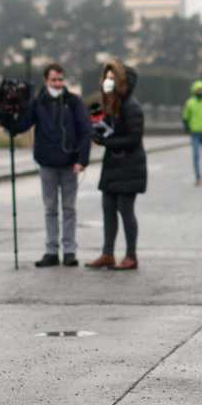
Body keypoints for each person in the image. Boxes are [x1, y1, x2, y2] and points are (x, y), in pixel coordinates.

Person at [0, 63, 91, 268]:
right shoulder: (37, 102)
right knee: (50, 208)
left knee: (69, 209)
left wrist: (81, 160)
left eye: (60, 80)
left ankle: (69, 251)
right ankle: (51, 250)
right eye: (54, 80)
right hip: (47, 163)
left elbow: (85, 131)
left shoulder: (74, 102)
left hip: (69, 164)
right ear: (46, 80)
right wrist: (5, 112)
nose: (58, 84)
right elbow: (20, 126)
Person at [85, 60, 146, 270]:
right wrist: (97, 132)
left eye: (112, 78)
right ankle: (107, 253)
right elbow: (109, 129)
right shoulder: (111, 104)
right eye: (106, 78)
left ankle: (131, 255)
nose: (107, 82)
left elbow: (133, 139)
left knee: (125, 210)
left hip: (129, 165)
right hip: (113, 163)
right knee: (107, 208)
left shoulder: (132, 106)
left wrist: (106, 142)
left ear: (122, 81)